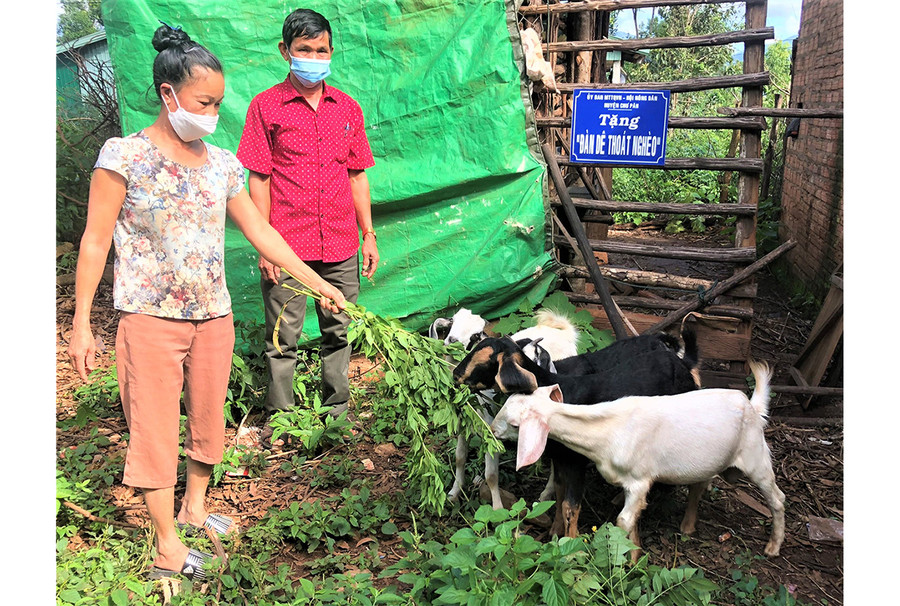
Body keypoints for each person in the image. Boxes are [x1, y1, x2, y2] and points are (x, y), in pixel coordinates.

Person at [66, 23, 346, 582]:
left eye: (219, 103)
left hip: (213, 315)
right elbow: (95, 241)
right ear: (168, 94)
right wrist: (81, 324)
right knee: (154, 428)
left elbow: (261, 231)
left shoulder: (222, 164)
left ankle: (193, 509)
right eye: (204, 102)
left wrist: (315, 281)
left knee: (208, 418)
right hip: (149, 318)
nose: (214, 113)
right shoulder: (124, 156)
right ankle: (166, 547)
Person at [237, 8, 378, 420]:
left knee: (339, 331)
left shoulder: (347, 108)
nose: (314, 58)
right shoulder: (266, 107)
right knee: (282, 338)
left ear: (331, 51)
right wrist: (265, 246)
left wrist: (368, 234)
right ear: (286, 51)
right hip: (286, 247)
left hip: (340, 243)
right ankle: (282, 417)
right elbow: (259, 178)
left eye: (321, 50)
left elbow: (357, 175)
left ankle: (337, 412)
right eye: (304, 50)